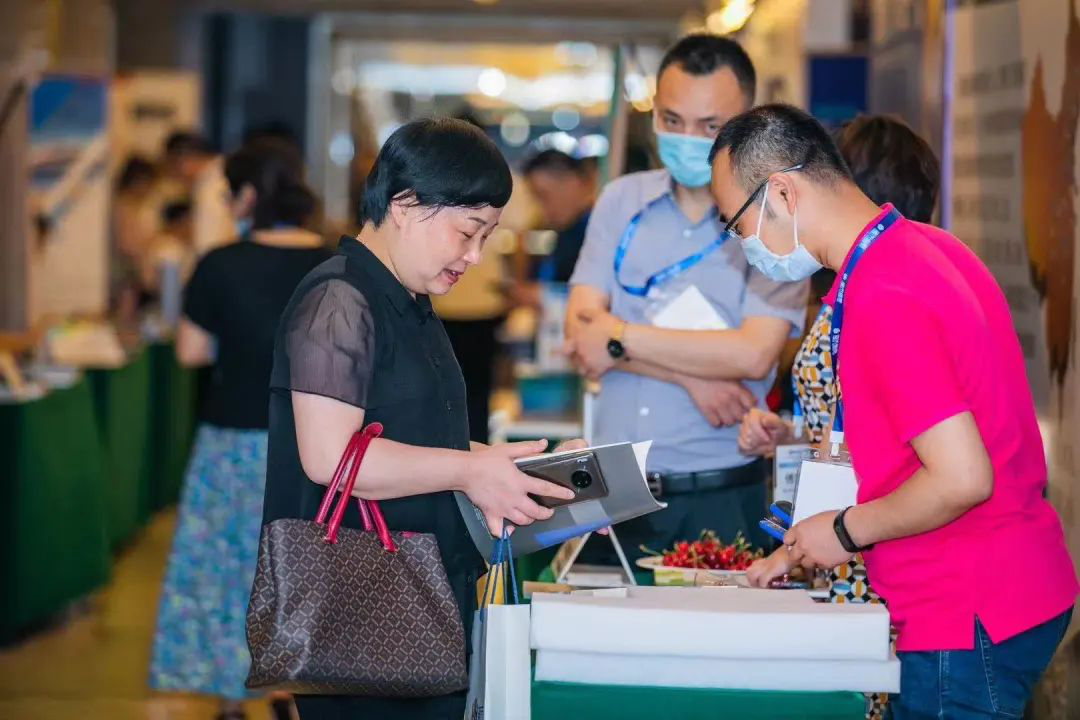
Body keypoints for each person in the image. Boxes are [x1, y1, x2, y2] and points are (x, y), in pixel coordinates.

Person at [711, 104, 1078, 718]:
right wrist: (807, 539)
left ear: (782, 193)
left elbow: (963, 478)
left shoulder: (885, 291)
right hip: (1008, 586)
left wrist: (844, 530)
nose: (743, 245)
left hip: (964, 608)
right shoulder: (919, 248)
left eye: (737, 224)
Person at [261, 118, 583, 720]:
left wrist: (508, 467)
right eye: (467, 232)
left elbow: (416, 435)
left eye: (486, 236)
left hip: (419, 591)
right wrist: (467, 469)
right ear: (406, 205)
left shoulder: (408, 300)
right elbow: (331, 458)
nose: (475, 256)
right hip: (362, 608)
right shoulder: (339, 300)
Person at [565, 34, 807, 558]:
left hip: (719, 491)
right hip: (611, 493)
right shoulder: (620, 200)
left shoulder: (776, 217)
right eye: (671, 120)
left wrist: (616, 337)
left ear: (747, 122)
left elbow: (753, 353)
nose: (687, 139)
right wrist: (693, 378)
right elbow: (580, 334)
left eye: (710, 126)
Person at [736, 113, 941, 720]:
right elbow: (855, 428)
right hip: (844, 533)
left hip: (863, 540)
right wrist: (796, 434)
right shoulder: (855, 290)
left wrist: (802, 546)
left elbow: (906, 457)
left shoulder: (876, 295)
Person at [149, 138, 333, 720]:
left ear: (249, 195)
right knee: (304, 572)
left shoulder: (220, 264)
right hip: (317, 446)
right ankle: (290, 693)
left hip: (232, 441)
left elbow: (191, 351)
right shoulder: (336, 264)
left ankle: (232, 696)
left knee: (227, 571)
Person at [523, 149, 598, 284]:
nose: (540, 208)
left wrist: (543, 294)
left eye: (544, 196)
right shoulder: (567, 231)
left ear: (573, 183)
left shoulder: (596, 232)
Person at [163, 131, 235, 255]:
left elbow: (208, 245)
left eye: (172, 167)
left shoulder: (212, 186)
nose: (174, 176)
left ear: (183, 161)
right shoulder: (216, 176)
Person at [111, 156, 160, 320]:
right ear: (137, 181)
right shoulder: (124, 207)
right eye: (148, 184)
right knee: (127, 314)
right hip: (128, 272)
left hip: (134, 271)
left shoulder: (136, 206)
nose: (149, 189)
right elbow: (127, 245)